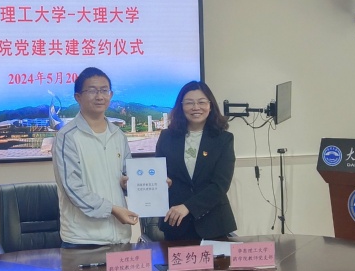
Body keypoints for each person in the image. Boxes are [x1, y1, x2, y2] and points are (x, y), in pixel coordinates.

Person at [52, 67, 139, 247]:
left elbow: (127, 175)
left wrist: (146, 183)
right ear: (78, 97)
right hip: (83, 239)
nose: (100, 96)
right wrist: (112, 209)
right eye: (92, 90)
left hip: (120, 235)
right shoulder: (67, 136)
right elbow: (72, 187)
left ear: (111, 94)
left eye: (104, 90)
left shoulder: (118, 135)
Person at [155, 80, 237, 240]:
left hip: (213, 223)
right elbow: (159, 173)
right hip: (175, 222)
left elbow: (220, 185)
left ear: (210, 105)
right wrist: (161, 180)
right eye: (189, 103)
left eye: (201, 102)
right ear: (181, 107)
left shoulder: (223, 139)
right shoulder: (166, 137)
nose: (196, 107)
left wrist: (188, 207)